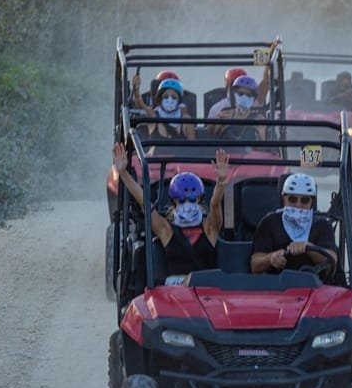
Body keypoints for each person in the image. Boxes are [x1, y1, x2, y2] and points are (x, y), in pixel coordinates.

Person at [112, 142, 228, 279]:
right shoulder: (166, 230)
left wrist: (221, 181)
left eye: (192, 199)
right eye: (182, 200)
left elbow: (215, 204)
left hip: (205, 290)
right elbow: (144, 203)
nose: (187, 204)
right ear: (174, 201)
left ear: (199, 199)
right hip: (174, 292)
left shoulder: (209, 229)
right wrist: (123, 173)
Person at [250, 173, 338, 278]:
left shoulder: (322, 225)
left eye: (304, 200)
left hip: (316, 286)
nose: (298, 205)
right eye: (292, 199)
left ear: (312, 202)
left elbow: (332, 260)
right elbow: (255, 264)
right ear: (284, 198)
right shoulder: (269, 222)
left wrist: (309, 248)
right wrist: (270, 258)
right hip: (276, 287)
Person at [206, 39, 280, 118]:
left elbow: (266, 81)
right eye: (239, 91)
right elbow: (211, 129)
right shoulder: (218, 108)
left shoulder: (253, 101)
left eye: (244, 83)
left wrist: (270, 55)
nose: (242, 87)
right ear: (229, 87)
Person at [131, 74, 196, 139]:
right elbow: (140, 105)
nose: (169, 100)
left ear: (179, 101)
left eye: (174, 97)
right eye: (166, 97)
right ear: (160, 99)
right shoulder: (153, 115)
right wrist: (136, 89)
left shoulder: (186, 120)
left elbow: (192, 147)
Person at [209, 75, 267, 141]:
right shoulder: (225, 114)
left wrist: (259, 134)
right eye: (240, 93)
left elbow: (262, 146)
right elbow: (211, 133)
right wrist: (216, 121)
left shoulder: (259, 119)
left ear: (253, 98)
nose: (244, 97)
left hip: (250, 151)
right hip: (226, 150)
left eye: (248, 95)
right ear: (234, 95)